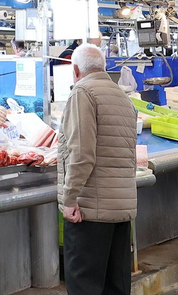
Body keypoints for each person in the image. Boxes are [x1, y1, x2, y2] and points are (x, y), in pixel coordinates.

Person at [58, 44, 138, 295]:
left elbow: (82, 154)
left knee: (85, 286)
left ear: (76, 69)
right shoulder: (122, 95)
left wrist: (69, 198)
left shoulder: (83, 92)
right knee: (116, 286)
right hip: (120, 211)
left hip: (90, 211)